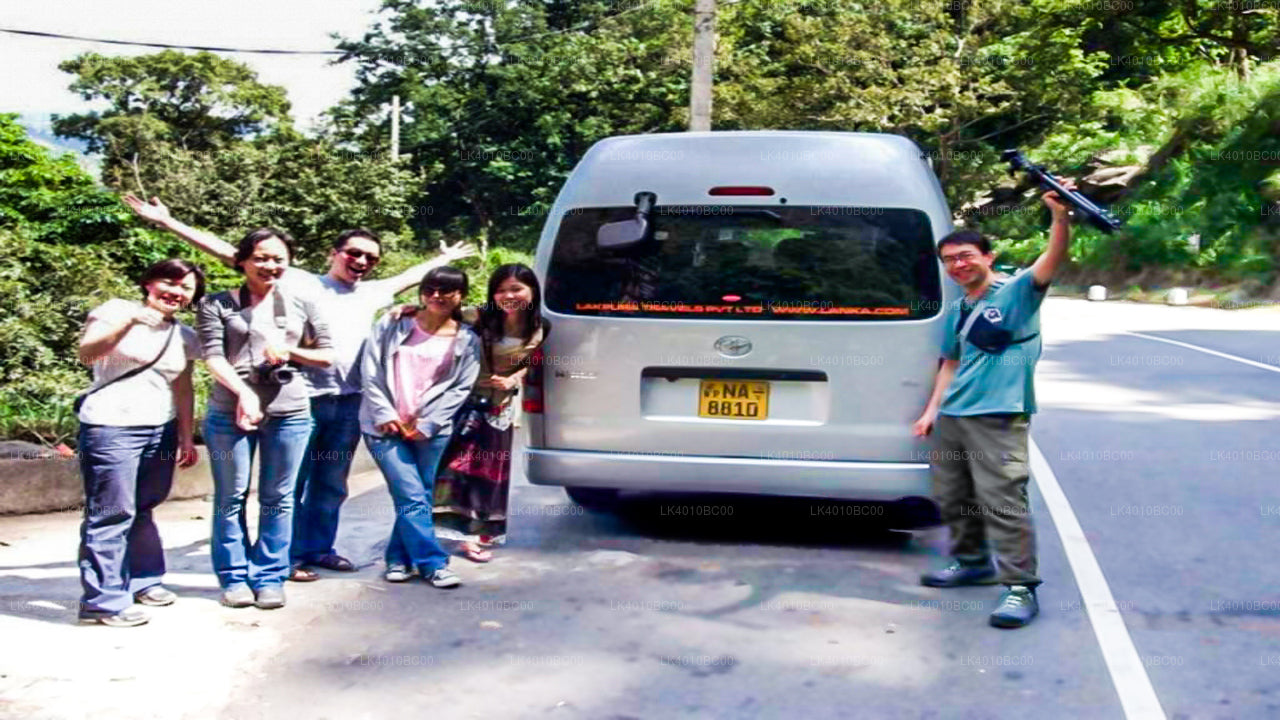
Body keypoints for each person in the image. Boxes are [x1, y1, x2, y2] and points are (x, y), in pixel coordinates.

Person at [125, 195, 473, 582]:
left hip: (350, 402)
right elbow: (234, 253)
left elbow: (417, 279)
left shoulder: (376, 293)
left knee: (331, 484)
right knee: (290, 486)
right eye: (353, 254)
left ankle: (318, 549)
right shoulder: (301, 281)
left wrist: (445, 259)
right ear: (334, 253)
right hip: (303, 398)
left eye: (371, 258)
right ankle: (285, 559)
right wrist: (168, 222)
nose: (361, 262)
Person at [911, 182, 1075, 629]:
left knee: (1003, 501)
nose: (958, 266)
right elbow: (949, 363)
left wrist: (1060, 217)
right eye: (950, 261)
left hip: (999, 416)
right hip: (954, 417)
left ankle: (1020, 588)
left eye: (966, 256)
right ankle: (973, 563)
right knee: (953, 496)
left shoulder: (1016, 292)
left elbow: (1052, 259)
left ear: (987, 257)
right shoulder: (959, 311)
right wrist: (931, 413)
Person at [197, 228, 334, 610]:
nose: (269, 265)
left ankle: (270, 576)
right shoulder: (217, 304)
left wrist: (290, 351)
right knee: (230, 497)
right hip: (230, 412)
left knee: (279, 498)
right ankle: (234, 578)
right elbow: (211, 356)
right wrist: (243, 393)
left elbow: (327, 354)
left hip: (290, 412)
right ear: (241, 260)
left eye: (278, 258)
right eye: (260, 257)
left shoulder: (302, 303)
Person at [75, 258, 205, 627]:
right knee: (111, 512)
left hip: (158, 428)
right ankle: (102, 602)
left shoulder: (184, 336)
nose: (176, 292)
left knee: (144, 506)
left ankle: (145, 580)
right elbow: (88, 353)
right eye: (170, 282)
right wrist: (129, 322)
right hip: (111, 426)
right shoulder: (116, 310)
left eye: (186, 288)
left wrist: (185, 435)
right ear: (149, 283)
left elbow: (183, 386)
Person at [360, 266, 481, 589]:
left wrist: (428, 424)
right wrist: (384, 413)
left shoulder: (467, 339)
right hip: (383, 427)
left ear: (461, 296)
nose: (437, 296)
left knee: (418, 495)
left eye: (447, 291)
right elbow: (370, 370)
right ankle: (433, 564)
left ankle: (398, 559)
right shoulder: (393, 324)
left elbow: (460, 388)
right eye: (430, 290)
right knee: (412, 494)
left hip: (431, 431)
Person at [433, 264, 548, 562]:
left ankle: (476, 535)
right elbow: (437, 311)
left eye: (516, 289)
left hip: (501, 410)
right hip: (464, 405)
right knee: (454, 470)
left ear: (532, 291)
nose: (508, 295)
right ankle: (435, 533)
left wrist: (513, 378)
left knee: (488, 476)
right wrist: (406, 309)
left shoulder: (540, 327)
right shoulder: (478, 316)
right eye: (501, 290)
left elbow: (535, 361)